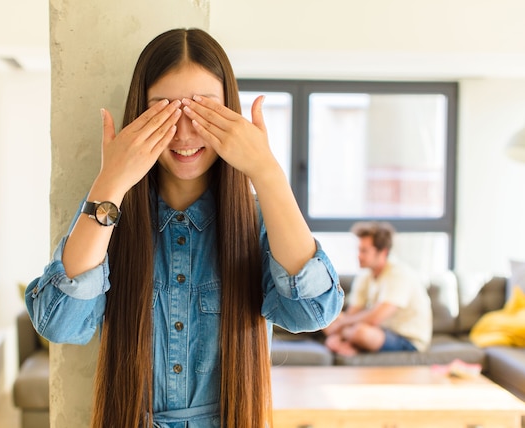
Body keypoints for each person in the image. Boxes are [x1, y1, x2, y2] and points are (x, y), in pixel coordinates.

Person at [25, 28, 344, 428]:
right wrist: (110, 182)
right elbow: (60, 322)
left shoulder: (256, 220)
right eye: (165, 110)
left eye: (203, 110)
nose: (185, 131)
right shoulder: (107, 214)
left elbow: (313, 311)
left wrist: (266, 171)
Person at [323, 221, 432, 357]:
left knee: (360, 332)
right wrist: (337, 334)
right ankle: (348, 345)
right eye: (358, 250)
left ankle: (351, 345)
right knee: (327, 319)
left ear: (383, 252)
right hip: (378, 330)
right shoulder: (365, 275)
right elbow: (353, 312)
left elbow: (375, 317)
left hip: (407, 339)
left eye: (364, 251)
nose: (358, 256)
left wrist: (341, 326)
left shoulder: (399, 274)